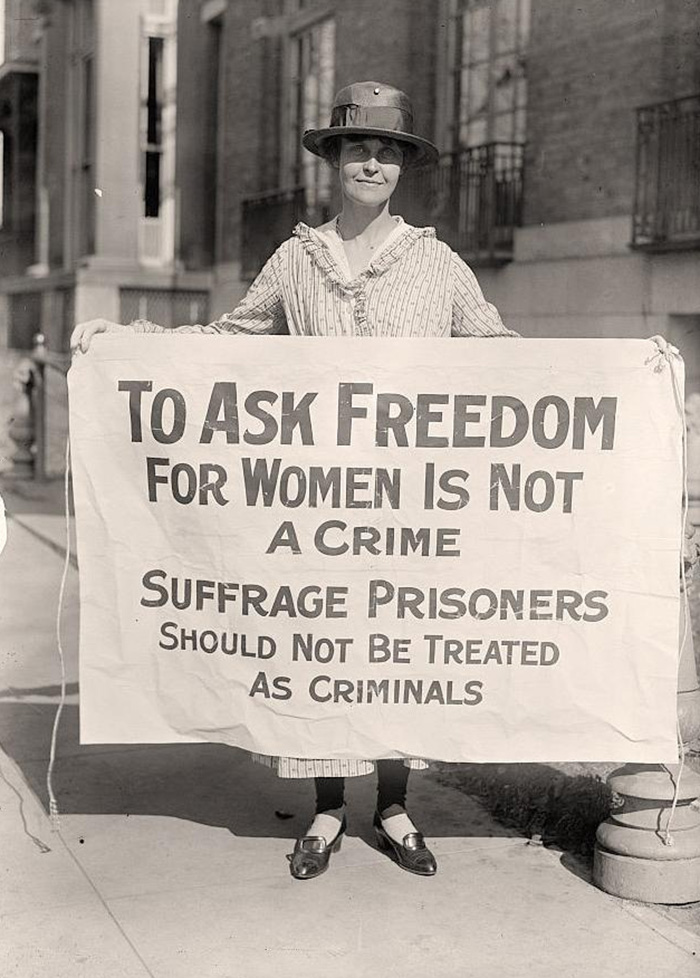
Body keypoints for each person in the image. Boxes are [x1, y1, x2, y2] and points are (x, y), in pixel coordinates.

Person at [71, 80, 521, 881]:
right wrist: (125, 342)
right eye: (358, 149)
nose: (372, 163)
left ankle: (393, 807)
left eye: (386, 151)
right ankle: (325, 810)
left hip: (410, 505)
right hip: (316, 505)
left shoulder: (438, 263)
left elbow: (499, 356)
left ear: (402, 166)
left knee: (395, 652)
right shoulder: (297, 259)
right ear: (335, 160)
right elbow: (225, 340)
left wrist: (619, 376)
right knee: (321, 648)